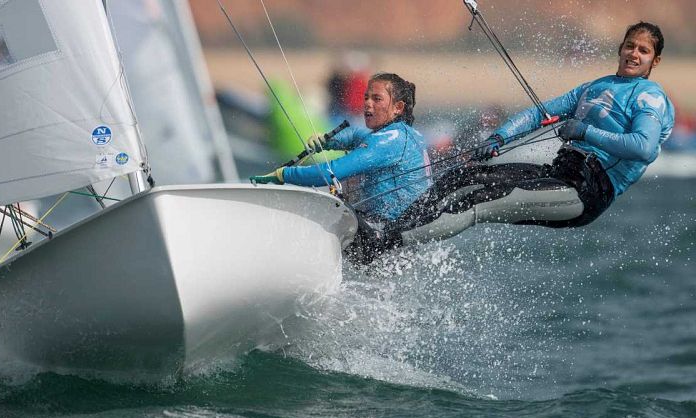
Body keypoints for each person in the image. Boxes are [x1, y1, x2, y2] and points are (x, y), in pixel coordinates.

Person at [391, 21, 675, 244]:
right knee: (463, 175)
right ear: (621, 48)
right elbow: (538, 113)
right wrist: (498, 137)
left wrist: (585, 131)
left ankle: (386, 244)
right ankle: (393, 227)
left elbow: (644, 147)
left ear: (655, 61)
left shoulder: (650, 96)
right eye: (630, 46)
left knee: (475, 202)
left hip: (587, 190)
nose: (633, 54)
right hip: (559, 172)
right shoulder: (595, 86)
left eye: (643, 50)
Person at [251, 73, 431, 263]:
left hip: (386, 238)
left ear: (398, 107)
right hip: (401, 235)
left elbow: (330, 173)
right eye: (366, 97)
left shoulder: (388, 141)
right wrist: (329, 141)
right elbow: (356, 134)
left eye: (377, 99)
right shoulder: (407, 134)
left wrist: (283, 175)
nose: (368, 104)